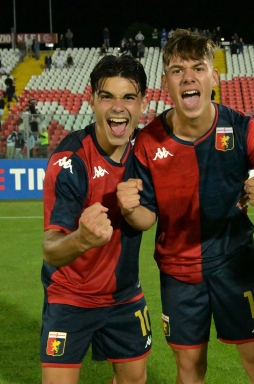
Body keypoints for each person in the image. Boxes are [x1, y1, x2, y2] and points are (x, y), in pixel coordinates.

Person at [116, 29, 254, 384]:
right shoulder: (146, 142)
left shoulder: (244, 130)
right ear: (166, 83)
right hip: (178, 275)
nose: (188, 76)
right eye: (177, 70)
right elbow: (146, 218)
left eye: (198, 67)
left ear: (213, 76)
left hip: (237, 266)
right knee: (189, 369)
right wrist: (129, 209)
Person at [41, 54, 150, 384]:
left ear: (143, 103)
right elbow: (51, 249)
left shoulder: (147, 151)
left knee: (134, 380)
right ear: (91, 101)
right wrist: (81, 239)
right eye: (107, 96)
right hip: (69, 296)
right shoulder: (70, 160)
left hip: (124, 295)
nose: (118, 107)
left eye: (128, 97)